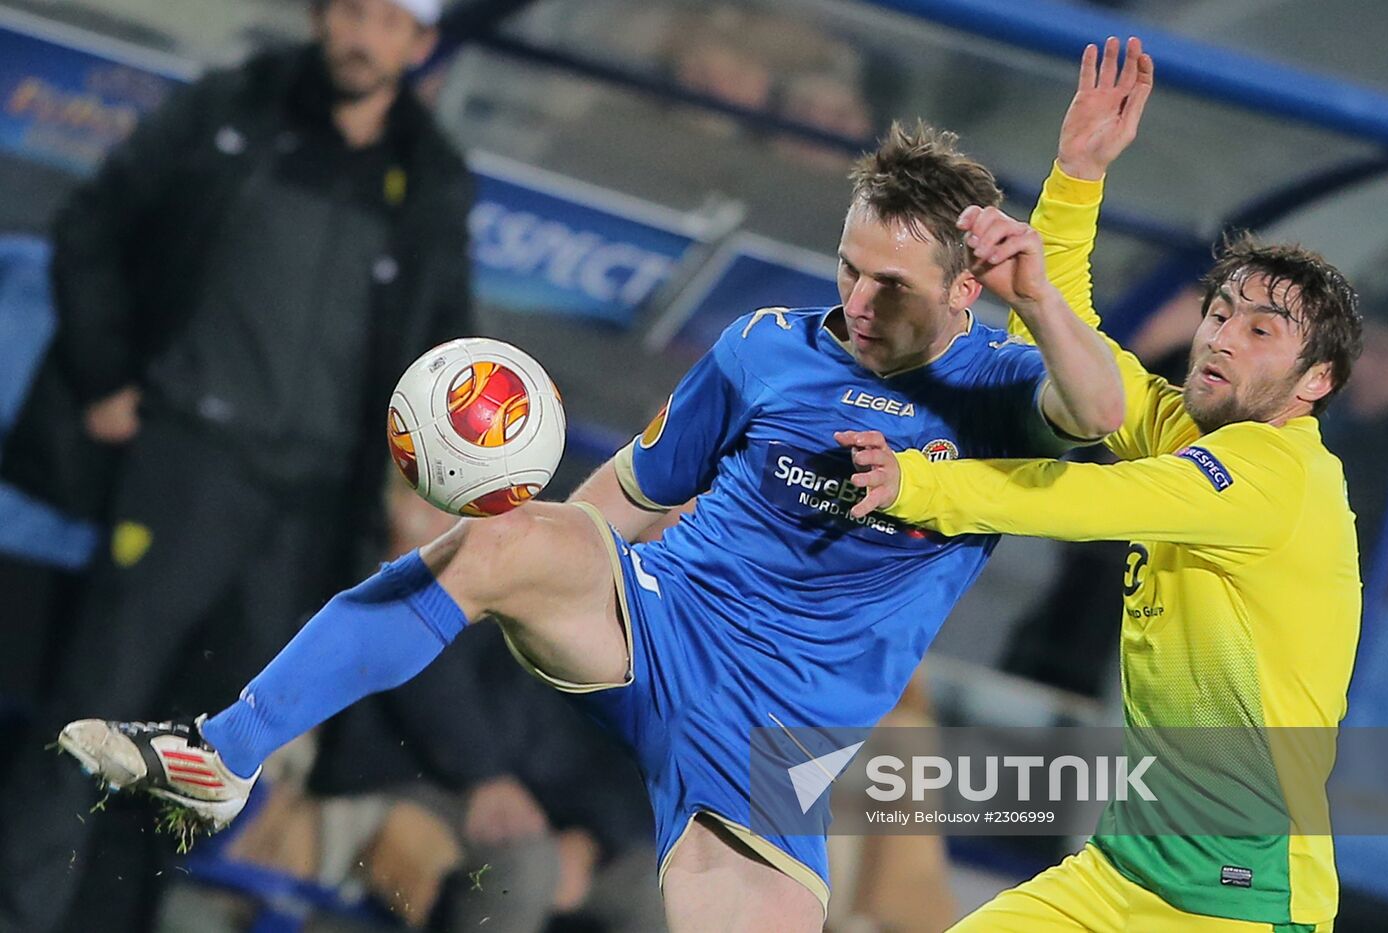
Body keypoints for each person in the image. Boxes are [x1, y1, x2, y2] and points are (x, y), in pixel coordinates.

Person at [58, 119, 1126, 931]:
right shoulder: (762, 345)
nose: (855, 300)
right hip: (659, 622)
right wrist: (524, 563)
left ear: (964, 289)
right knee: (509, 542)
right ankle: (221, 752)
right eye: (846, 267)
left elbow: (1100, 411)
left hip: (769, 750)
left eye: (888, 285)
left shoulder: (1001, 385)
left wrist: (1040, 298)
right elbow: (635, 489)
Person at [841, 37, 1362, 931]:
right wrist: (1077, 175)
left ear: (1316, 382)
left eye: (1262, 331)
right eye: (1220, 313)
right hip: (1121, 871)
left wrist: (926, 486)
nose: (1222, 337)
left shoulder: (1274, 474)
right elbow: (1082, 348)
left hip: (1240, 897)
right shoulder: (1189, 431)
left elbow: (1085, 500)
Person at [0, 1, 472, 930]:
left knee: (203, 756)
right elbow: (92, 226)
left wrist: (423, 485)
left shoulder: (432, 179)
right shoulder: (231, 107)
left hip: (308, 512)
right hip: (187, 466)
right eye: (349, 10)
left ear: (419, 45)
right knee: (94, 713)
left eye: (387, 19)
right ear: (318, 16)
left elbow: (439, 345)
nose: (361, 34)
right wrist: (103, 375)